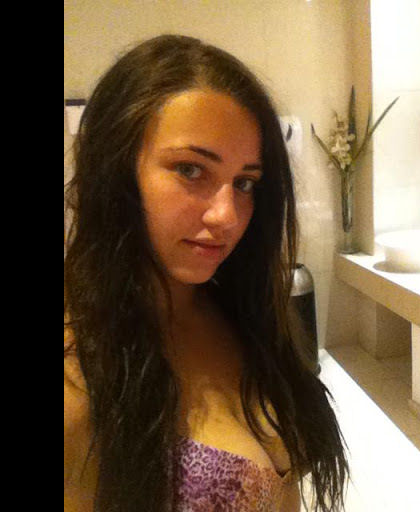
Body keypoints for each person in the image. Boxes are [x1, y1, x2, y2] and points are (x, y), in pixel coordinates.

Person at [64, 34, 349, 512]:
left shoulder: (242, 310)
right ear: (116, 169)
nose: (227, 216)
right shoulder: (80, 374)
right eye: (191, 170)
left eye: (245, 183)